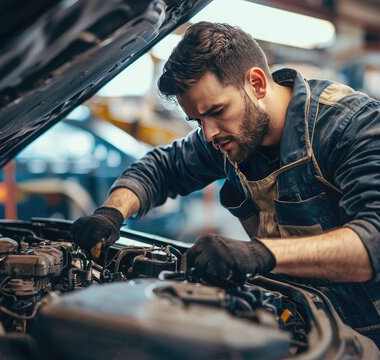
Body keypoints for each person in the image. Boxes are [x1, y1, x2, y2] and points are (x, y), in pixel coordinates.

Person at [71, 22, 380, 345]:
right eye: (198, 120)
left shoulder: (351, 126)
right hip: (308, 319)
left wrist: (259, 254)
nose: (208, 134)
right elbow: (160, 167)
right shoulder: (229, 136)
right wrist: (111, 214)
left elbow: (372, 243)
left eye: (217, 111)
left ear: (257, 83)